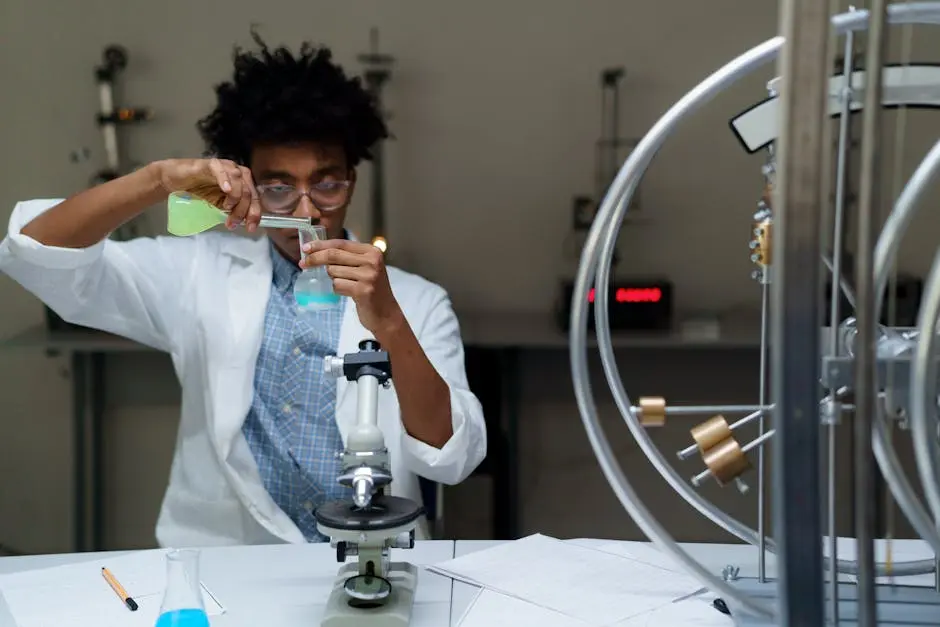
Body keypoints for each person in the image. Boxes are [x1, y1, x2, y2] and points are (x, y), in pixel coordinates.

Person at [0, 34, 487, 547]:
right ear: (248, 186)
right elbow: (35, 251)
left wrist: (387, 320)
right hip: (227, 561)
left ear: (352, 179)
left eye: (326, 183)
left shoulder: (415, 301)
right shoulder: (198, 273)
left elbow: (453, 457)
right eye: (278, 186)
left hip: (371, 555)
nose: (306, 211)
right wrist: (160, 178)